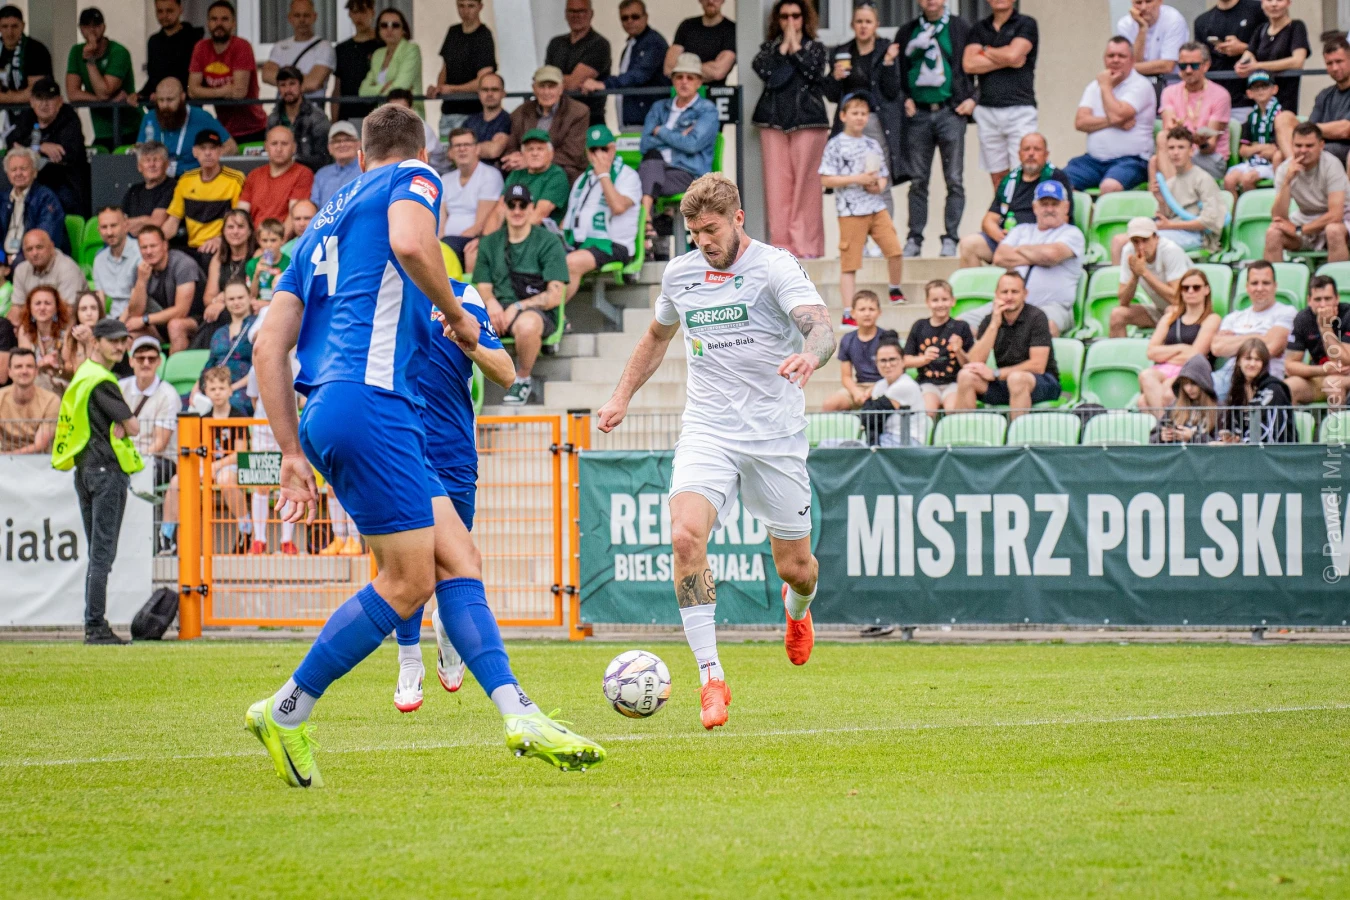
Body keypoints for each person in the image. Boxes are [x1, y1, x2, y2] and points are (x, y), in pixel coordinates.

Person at [246, 102, 603, 787]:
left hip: (331, 408)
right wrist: (458, 316)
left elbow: (269, 346)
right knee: (408, 584)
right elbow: (413, 243)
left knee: (459, 558)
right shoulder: (412, 176)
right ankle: (287, 709)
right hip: (373, 401)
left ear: (358, 155)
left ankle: (519, 712)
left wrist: (291, 451)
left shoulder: (318, 225)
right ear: (422, 153)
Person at [596, 173, 833, 729]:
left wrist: (810, 356)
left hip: (774, 437)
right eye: (695, 232)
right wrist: (621, 395)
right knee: (684, 536)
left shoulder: (775, 267)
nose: (704, 241)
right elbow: (656, 337)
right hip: (709, 430)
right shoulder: (680, 274)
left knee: (797, 568)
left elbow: (821, 328)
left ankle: (797, 609)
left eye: (712, 229)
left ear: (738, 219)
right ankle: (711, 677)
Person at [391, 278, 516, 710]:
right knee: (406, 557)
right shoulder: (374, 289)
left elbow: (506, 372)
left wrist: (469, 343)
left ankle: (447, 628)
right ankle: (409, 660)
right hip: (399, 447)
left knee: (452, 562)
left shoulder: (461, 296)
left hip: (453, 451)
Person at [50, 316, 141, 645]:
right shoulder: (102, 380)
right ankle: (95, 625)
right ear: (97, 342)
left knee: (97, 553)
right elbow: (133, 427)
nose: (119, 346)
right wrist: (123, 424)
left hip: (85, 470)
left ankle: (94, 621)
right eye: (113, 341)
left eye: (123, 340)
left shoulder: (84, 374)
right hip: (106, 472)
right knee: (103, 553)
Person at [474, 183, 569, 406]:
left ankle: (522, 378)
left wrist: (517, 307)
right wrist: (492, 304)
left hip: (534, 311)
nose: (517, 210)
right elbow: (483, 286)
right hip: (496, 311)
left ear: (531, 208)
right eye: (512, 205)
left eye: (523, 205)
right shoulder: (489, 242)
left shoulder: (548, 241)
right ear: (503, 208)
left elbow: (555, 295)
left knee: (527, 325)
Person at [895, 0, 975, 259]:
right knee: (918, 181)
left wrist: (973, 98)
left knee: (954, 180)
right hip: (918, 114)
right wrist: (904, 98)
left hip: (950, 113)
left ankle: (951, 238)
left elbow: (976, 66)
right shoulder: (907, 31)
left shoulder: (960, 28)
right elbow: (898, 72)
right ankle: (914, 239)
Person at [751, 0, 830, 260]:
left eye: (795, 16)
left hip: (809, 123)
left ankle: (807, 247)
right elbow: (772, 77)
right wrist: (783, 49)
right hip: (773, 124)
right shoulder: (769, 50)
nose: (790, 22)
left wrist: (795, 49)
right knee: (777, 187)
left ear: (805, 19)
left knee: (807, 188)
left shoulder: (816, 48)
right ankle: (782, 247)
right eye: (784, 16)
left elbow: (814, 73)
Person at [818, 92, 905, 320]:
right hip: (850, 211)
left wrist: (878, 186)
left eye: (863, 114)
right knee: (850, 263)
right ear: (843, 116)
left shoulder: (872, 144)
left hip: (876, 207)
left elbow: (883, 175)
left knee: (895, 250)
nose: (859, 118)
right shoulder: (835, 145)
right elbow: (826, 179)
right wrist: (858, 179)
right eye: (855, 113)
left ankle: (895, 289)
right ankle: (849, 311)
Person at [823, 3, 902, 220]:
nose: (863, 26)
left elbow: (892, 91)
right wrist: (835, 77)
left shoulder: (886, 49)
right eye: (859, 21)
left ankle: (884, 233)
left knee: (880, 180)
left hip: (876, 121)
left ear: (876, 25)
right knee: (850, 177)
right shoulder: (842, 51)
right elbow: (832, 95)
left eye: (868, 22)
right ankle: (859, 234)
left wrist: (888, 63)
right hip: (848, 123)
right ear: (852, 25)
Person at [979, 180, 1083, 336]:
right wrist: (1039, 255)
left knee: (1043, 327)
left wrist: (1019, 249)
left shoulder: (1072, 233)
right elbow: (1000, 257)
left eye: (1055, 204)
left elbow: (1051, 255)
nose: (1049, 209)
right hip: (1008, 303)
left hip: (1052, 306)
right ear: (1035, 207)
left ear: (1066, 207)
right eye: (1044, 204)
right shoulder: (1021, 230)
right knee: (962, 325)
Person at [638, 53, 720, 252]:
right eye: (679, 77)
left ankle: (645, 223)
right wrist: (679, 136)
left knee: (646, 171)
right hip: (658, 173)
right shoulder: (659, 107)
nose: (684, 82)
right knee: (650, 161)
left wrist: (661, 131)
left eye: (690, 77)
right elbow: (644, 143)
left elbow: (692, 145)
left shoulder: (707, 110)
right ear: (673, 80)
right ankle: (649, 224)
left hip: (687, 173)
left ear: (699, 82)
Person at [958, 133, 1071, 269]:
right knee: (968, 244)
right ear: (1019, 154)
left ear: (1046, 154)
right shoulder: (1010, 180)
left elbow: (1064, 217)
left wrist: (1028, 239)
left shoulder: (1056, 178)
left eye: (1037, 149)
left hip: (1039, 241)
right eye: (1026, 149)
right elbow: (989, 219)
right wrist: (1002, 238)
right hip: (1007, 238)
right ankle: (978, 283)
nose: (1031, 153)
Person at [954, 271, 1059, 417]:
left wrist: (996, 373)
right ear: (996, 294)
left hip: (1042, 381)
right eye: (1004, 292)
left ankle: (1017, 431)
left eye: (1015, 292)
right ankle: (964, 430)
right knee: (966, 375)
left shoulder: (1037, 317)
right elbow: (974, 362)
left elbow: (1038, 366)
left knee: (1016, 379)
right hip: (1005, 381)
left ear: (1025, 294)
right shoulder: (990, 320)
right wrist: (994, 325)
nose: (1009, 297)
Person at [963, 0, 1039, 190]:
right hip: (987, 110)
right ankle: (1003, 209)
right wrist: (1006, 58)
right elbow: (969, 64)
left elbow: (1014, 55)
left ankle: (1022, 209)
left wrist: (985, 50)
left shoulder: (1026, 23)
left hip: (1020, 109)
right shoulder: (979, 28)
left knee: (1023, 171)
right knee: (997, 176)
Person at [1066, 37, 1157, 194]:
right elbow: (1080, 122)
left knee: (1109, 187)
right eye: (1111, 56)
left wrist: (1105, 86)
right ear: (1104, 59)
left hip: (1131, 160)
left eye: (1121, 56)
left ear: (1132, 60)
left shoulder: (1140, 85)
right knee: (1059, 183)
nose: (1115, 60)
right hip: (1093, 161)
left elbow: (1117, 115)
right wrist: (1113, 122)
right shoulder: (1094, 86)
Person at [564, 125, 642, 303]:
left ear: (613, 149)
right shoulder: (583, 179)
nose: (599, 155)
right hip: (582, 242)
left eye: (604, 149)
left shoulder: (627, 176)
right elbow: (571, 217)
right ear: (587, 152)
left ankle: (552, 314)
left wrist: (604, 175)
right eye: (594, 150)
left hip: (614, 245)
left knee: (571, 263)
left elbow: (618, 207)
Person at [1139, 267, 1222, 410]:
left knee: (1150, 399)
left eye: (1196, 287)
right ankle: (1164, 421)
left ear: (1206, 290)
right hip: (1165, 369)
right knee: (1146, 376)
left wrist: (1164, 355)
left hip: (1193, 371)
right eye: (1185, 288)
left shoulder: (1211, 318)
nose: (1190, 291)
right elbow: (1151, 352)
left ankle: (1163, 422)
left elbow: (1195, 356)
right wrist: (1181, 348)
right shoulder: (1169, 318)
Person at [1266, 122, 1349, 264]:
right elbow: (1278, 217)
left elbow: (1336, 215)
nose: (1303, 150)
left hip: (1341, 220)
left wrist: (1300, 229)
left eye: (1309, 146)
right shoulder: (1285, 169)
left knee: (1333, 230)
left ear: (1321, 145)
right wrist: (1287, 181)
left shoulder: (1332, 165)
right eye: (1298, 145)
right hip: (1305, 218)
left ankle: (1337, 278)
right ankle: (1272, 278)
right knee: (1273, 232)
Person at [1210, 259, 1295, 399]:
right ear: (1247, 287)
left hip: (1263, 377)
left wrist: (1235, 340)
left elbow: (1272, 348)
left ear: (1275, 286)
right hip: (1228, 374)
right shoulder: (1234, 317)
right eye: (1254, 283)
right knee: (1192, 385)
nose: (1259, 288)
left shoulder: (1286, 312)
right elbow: (1217, 348)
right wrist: (1259, 337)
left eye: (1266, 283)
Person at [6, 78, 90, 217]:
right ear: (32, 101)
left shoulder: (69, 117)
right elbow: (12, 142)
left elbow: (66, 154)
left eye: (50, 98)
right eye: (39, 98)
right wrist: (40, 147)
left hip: (64, 183)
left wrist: (28, 150)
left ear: (60, 101)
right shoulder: (27, 116)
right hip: (33, 182)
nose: (44, 104)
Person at [1138, 126, 1227, 258]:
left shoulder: (1203, 179)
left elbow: (1210, 221)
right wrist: (1161, 201)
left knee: (1145, 244)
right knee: (1124, 241)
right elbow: (1165, 219)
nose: (1175, 152)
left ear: (1191, 151)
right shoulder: (1170, 183)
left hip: (1198, 237)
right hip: (1172, 232)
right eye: (1171, 148)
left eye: (1181, 147)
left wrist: (1170, 226)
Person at [188, 1, 267, 145]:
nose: (219, 24)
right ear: (208, 23)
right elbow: (192, 91)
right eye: (214, 19)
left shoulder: (242, 46)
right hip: (223, 130)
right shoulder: (201, 48)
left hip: (253, 128)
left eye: (224, 19)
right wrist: (225, 90)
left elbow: (239, 92)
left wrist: (206, 92)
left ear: (233, 23)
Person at [162, 128, 246, 262]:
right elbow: (173, 220)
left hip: (222, 246)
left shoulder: (235, 179)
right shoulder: (185, 180)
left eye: (213, 148)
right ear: (195, 152)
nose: (208, 153)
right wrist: (156, 241)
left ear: (220, 151)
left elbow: (240, 220)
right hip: (192, 248)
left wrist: (221, 239)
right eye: (203, 148)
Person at [64, 7, 139, 151]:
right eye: (87, 26)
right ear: (81, 29)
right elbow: (73, 94)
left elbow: (104, 91)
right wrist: (105, 101)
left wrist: (90, 61)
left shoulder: (119, 52)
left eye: (96, 25)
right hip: (101, 131)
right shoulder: (76, 51)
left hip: (129, 127)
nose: (92, 31)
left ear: (104, 27)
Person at [1155, 43, 1231, 181]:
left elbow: (1210, 147)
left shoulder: (1220, 95)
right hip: (1180, 152)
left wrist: (1201, 143)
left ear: (1206, 66)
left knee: (1156, 162)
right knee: (1161, 141)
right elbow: (1169, 132)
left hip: (1208, 157)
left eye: (1194, 65)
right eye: (1183, 66)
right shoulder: (1169, 92)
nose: (1188, 70)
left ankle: (1172, 192)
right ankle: (1175, 191)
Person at [501, 66, 590, 183]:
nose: (546, 92)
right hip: (526, 172)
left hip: (561, 171)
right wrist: (513, 157)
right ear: (534, 88)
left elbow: (572, 154)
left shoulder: (578, 112)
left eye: (552, 86)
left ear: (561, 88)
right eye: (542, 86)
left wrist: (531, 161)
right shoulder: (521, 111)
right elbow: (511, 145)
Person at [126, 225, 206, 353]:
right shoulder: (141, 270)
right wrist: (141, 281)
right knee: (129, 336)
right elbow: (135, 313)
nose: (148, 251)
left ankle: (176, 367)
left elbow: (181, 311)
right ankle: (143, 366)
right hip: (161, 324)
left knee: (175, 325)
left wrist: (145, 320)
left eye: (153, 246)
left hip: (197, 322)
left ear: (165, 245)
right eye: (144, 247)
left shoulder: (183, 264)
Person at [117, 335, 180, 494]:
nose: (146, 363)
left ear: (159, 362)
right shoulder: (120, 388)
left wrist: (132, 459)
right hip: (125, 455)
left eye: (151, 359)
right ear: (131, 361)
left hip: (159, 458)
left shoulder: (168, 395)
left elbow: (160, 444)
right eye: (140, 358)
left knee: (136, 473)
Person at [592, 0, 668, 130]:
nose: (630, 21)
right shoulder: (630, 45)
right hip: (630, 122)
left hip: (648, 123)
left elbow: (639, 75)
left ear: (645, 17)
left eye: (635, 16)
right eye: (624, 18)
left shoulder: (654, 43)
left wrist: (605, 84)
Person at [137, 77, 237, 174]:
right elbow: (139, 150)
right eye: (161, 100)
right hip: (160, 179)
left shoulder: (201, 116)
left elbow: (231, 148)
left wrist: (207, 160)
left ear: (182, 97)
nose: (165, 105)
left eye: (170, 100)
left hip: (195, 178)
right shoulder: (149, 118)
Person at [903, 279, 972, 417]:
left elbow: (970, 364)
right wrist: (924, 359)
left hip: (954, 382)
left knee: (952, 411)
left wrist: (959, 350)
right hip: (927, 382)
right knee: (928, 411)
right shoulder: (919, 326)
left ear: (953, 301)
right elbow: (905, 360)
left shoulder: (961, 327)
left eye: (944, 299)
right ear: (927, 302)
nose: (940, 304)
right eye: (935, 300)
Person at [427, 0, 496, 136]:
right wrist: (439, 88)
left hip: (473, 112)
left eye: (471, 6)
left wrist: (452, 89)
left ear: (480, 7)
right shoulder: (453, 32)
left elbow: (484, 80)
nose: (466, 11)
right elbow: (445, 69)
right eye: (461, 6)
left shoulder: (484, 36)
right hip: (448, 111)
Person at [821, 290, 896, 411]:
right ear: (853, 313)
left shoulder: (887, 337)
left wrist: (875, 389)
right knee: (830, 404)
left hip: (885, 384)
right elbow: (846, 376)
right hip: (859, 386)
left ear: (879, 312)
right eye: (862, 309)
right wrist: (856, 392)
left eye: (871, 309)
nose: (867, 313)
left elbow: (895, 371)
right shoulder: (847, 339)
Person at [440, 127, 502, 273]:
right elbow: (440, 220)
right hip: (446, 242)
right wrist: (438, 242)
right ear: (450, 152)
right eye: (457, 146)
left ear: (477, 149)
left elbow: (479, 225)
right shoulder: (445, 179)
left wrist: (446, 243)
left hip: (473, 240)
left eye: (467, 145)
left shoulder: (490, 176)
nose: (462, 149)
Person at [1114, 218, 1189, 336]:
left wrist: (1144, 273)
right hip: (1160, 310)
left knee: (1171, 311)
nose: (1141, 247)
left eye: (1145, 240)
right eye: (1135, 241)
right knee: (1117, 315)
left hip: (1187, 311)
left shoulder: (1171, 251)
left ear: (1156, 237)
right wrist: (1135, 275)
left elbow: (1178, 299)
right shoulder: (1128, 251)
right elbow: (1123, 301)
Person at [1284, 274, 1349, 407]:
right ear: (1309, 300)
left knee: (1332, 383)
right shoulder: (1303, 318)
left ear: (1337, 298)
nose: (1323, 305)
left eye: (1328, 299)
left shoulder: (1347, 314)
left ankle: (1339, 422)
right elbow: (1290, 366)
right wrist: (1323, 370)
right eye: (1318, 299)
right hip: (1321, 376)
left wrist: (1325, 328)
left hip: (1346, 375)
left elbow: (1342, 362)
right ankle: (1289, 422)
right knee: (1288, 386)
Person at [1234, 0, 1308, 117]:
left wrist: (1258, 66)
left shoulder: (1296, 27)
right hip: (1260, 99)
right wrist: (1241, 65)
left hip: (1286, 99)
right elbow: (1248, 56)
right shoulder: (1261, 29)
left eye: (1279, 0)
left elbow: (1298, 61)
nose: (1274, 4)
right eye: (1269, 0)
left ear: (1288, 3)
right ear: (1262, 4)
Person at [1194, 0, 1267, 113]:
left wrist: (1244, 48)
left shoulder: (1258, 10)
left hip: (1252, 97)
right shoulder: (1203, 21)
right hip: (1214, 100)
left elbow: (1273, 49)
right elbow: (1200, 59)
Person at [546, 0, 612, 127]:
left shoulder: (599, 44)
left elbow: (573, 84)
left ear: (591, 14)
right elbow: (546, 82)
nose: (576, 15)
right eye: (571, 11)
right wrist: (555, 82)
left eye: (581, 11)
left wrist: (555, 81)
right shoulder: (556, 44)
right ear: (565, 14)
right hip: (558, 119)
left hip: (590, 120)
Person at [1225, 70, 1288, 197]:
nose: (1260, 91)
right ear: (1249, 93)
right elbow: (1243, 150)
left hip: (1272, 164)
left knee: (1247, 179)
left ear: (1274, 89)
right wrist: (1261, 147)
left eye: (1264, 87)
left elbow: (1276, 149)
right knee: (1229, 180)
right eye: (1255, 88)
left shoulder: (1282, 115)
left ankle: (1254, 208)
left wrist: (1254, 147)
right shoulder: (1251, 117)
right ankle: (1235, 210)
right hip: (1253, 162)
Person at [0, 147, 67, 267]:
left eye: (23, 169)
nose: (18, 173)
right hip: (5, 258)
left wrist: (16, 258)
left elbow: (44, 239)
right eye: (14, 169)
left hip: (31, 257)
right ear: (8, 174)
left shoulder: (46, 198)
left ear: (35, 172)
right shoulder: (3, 199)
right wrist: (2, 259)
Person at [238, 126, 314, 232]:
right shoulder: (254, 175)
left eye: (284, 144)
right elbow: (241, 213)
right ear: (266, 147)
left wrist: (279, 241)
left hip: (282, 239)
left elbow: (294, 215)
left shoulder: (303, 173)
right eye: (274, 144)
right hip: (254, 237)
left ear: (294, 147)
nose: (279, 149)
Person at [1221, 337, 1295, 442]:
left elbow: (1270, 433)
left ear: (1264, 364)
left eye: (1257, 360)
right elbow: (1231, 426)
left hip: (1275, 450)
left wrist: (1242, 443)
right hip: (1244, 449)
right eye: (1248, 358)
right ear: (1238, 362)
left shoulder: (1274, 389)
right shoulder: (1237, 390)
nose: (1252, 364)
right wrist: (1227, 439)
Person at [8, 229, 85, 325]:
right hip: (35, 324)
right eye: (29, 249)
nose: (34, 253)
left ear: (51, 246)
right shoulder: (21, 270)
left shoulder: (67, 268)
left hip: (70, 325)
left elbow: (68, 312)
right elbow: (17, 308)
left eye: (39, 247)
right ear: (24, 253)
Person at [262, 0, 334, 102]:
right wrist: (304, 79)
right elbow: (266, 75)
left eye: (306, 15)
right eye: (297, 15)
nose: (302, 20)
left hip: (311, 109)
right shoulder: (280, 46)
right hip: (283, 109)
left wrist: (282, 80)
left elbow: (313, 83)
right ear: (290, 18)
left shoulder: (324, 47)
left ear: (314, 17)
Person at [498, 130, 571, 228]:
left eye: (540, 149)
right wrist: (489, 236)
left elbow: (539, 215)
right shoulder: (516, 174)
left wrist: (515, 235)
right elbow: (499, 210)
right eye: (530, 149)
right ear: (523, 154)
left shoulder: (556, 175)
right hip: (509, 232)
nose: (535, 153)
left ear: (551, 153)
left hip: (539, 235)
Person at [204, 278, 255, 414]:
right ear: (225, 302)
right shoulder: (219, 333)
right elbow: (210, 364)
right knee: (186, 404)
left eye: (240, 298)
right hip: (216, 387)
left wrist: (231, 388)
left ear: (250, 298)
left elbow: (259, 368)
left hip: (245, 387)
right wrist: (196, 389)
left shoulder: (257, 327)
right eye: (231, 299)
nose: (236, 302)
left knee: (232, 404)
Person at [358, 8, 421, 115]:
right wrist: (384, 87)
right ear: (378, 30)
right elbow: (363, 92)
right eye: (384, 25)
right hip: (383, 116)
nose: (389, 29)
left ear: (404, 30)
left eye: (395, 25)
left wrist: (375, 88)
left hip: (408, 116)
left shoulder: (411, 50)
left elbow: (400, 88)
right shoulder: (378, 54)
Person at [267, 67, 332, 171]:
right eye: (283, 85)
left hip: (312, 174)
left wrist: (294, 161)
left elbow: (324, 158)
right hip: (280, 174)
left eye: (292, 84)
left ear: (301, 86)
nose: (288, 90)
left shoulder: (318, 118)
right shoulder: (273, 118)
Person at [866, 336, 926, 447]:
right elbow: (869, 418)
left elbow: (869, 417)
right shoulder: (879, 385)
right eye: (883, 360)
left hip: (907, 440)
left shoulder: (905, 385)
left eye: (892, 359)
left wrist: (869, 405)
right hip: (885, 437)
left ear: (903, 361)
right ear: (876, 363)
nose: (888, 365)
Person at [203, 209, 257, 329]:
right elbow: (208, 297)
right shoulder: (218, 258)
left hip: (247, 311)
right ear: (223, 232)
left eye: (241, 227)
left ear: (249, 231)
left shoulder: (257, 255)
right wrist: (216, 302)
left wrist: (226, 301)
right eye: (230, 227)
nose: (235, 231)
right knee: (211, 315)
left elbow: (255, 293)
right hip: (222, 310)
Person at [143, 0, 203, 103]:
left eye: (169, 11)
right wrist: (141, 94)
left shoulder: (194, 39)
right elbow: (153, 78)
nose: (164, 16)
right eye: (160, 11)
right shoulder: (154, 42)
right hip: (161, 104)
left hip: (187, 103)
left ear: (180, 9)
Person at [1150, 353, 1219, 443]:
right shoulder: (1175, 407)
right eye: (1185, 384)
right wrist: (1162, 436)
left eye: (1193, 383)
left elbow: (1221, 445)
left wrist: (1193, 437)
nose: (1189, 389)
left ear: (1204, 383)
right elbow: (1151, 439)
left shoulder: (1219, 409)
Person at [666, 0, 736, 88]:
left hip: (714, 93)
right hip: (682, 93)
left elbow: (718, 72)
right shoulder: (687, 26)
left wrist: (682, 68)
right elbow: (669, 68)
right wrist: (706, 69)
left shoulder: (731, 29)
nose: (710, 1)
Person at [331, 0, 380, 122]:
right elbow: (337, 87)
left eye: (363, 12)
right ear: (349, 14)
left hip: (377, 113)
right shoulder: (342, 49)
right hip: (348, 114)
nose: (359, 17)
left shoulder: (382, 45)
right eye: (355, 12)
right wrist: (335, 121)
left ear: (372, 12)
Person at [0, 347, 57, 452]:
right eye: (18, 367)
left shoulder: (51, 400)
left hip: (39, 459)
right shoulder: (1, 397)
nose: (24, 371)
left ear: (36, 371)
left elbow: (40, 445)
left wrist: (8, 456)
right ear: (9, 372)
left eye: (29, 366)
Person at [15, 285, 69, 394]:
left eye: (47, 303)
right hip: (35, 385)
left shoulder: (66, 330)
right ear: (30, 308)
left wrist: (57, 366)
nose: (42, 308)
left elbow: (70, 366)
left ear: (56, 307)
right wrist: (41, 363)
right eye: (37, 303)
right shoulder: (25, 331)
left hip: (62, 384)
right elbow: (25, 364)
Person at [1306, 34, 1350, 167]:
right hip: (1321, 149)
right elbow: (1308, 132)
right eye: (1329, 63)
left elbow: (1346, 130)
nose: (1335, 68)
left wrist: (1315, 129)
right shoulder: (1324, 95)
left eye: (1339, 61)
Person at [1115, 0, 1188, 78]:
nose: (1143, 8)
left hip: (1169, 80)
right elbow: (1134, 61)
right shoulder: (1124, 24)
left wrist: (1126, 68)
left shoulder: (1174, 19)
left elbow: (1168, 66)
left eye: (1148, 2)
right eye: (1138, 3)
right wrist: (1142, 28)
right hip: (1137, 80)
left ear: (1160, 1)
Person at [92, 207, 142, 319]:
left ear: (126, 225)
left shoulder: (141, 252)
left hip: (137, 317)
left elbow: (136, 300)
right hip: (113, 318)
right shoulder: (99, 259)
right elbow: (100, 299)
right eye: (104, 227)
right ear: (99, 230)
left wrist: (118, 325)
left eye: (113, 226)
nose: (109, 232)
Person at [121, 142, 177, 239]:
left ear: (166, 164)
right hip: (130, 241)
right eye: (147, 160)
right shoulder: (134, 190)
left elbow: (156, 223)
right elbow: (120, 222)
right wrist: (146, 220)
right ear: (139, 167)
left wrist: (133, 223)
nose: (152, 164)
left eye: (156, 160)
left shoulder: (173, 187)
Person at [0, 5, 53, 108]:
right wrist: (19, 96)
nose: (10, 32)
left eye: (14, 26)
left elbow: (37, 91)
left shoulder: (36, 50)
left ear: (23, 26)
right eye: (5, 26)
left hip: (34, 112)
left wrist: (5, 97)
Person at [310, 121, 362, 208]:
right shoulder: (321, 175)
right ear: (329, 148)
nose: (342, 144)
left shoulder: (367, 170)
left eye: (348, 140)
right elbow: (313, 207)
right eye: (336, 141)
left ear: (359, 144)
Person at [464, 72, 510, 168]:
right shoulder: (470, 121)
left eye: (495, 89)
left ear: (503, 93)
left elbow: (494, 151)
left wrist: (466, 149)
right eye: (485, 90)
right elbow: (452, 152)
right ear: (479, 93)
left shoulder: (508, 120)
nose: (490, 94)